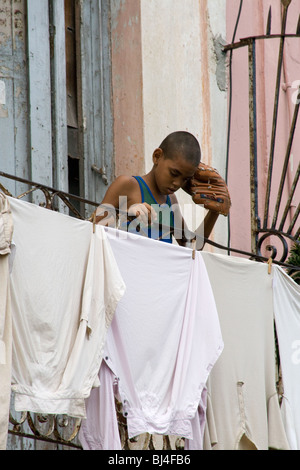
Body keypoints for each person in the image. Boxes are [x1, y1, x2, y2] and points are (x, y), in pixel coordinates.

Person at [94, 131, 229, 248]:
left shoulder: (170, 201)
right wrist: (126, 216)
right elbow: (94, 232)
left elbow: (191, 247)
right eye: (174, 173)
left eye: (185, 179)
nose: (177, 183)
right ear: (157, 156)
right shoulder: (127, 186)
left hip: (160, 276)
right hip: (126, 274)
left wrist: (215, 211)